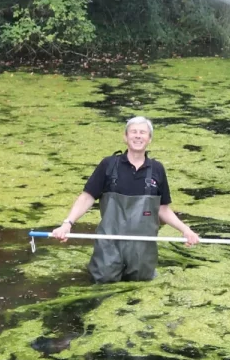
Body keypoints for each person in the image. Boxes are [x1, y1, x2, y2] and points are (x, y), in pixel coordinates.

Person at [51, 116, 199, 283]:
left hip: (143, 247)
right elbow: (87, 197)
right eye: (133, 132)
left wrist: (185, 230)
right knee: (103, 287)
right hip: (109, 244)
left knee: (141, 291)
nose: (138, 136)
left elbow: (163, 209)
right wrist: (67, 223)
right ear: (125, 137)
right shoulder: (109, 164)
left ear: (149, 139)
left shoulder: (157, 169)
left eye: (142, 132)